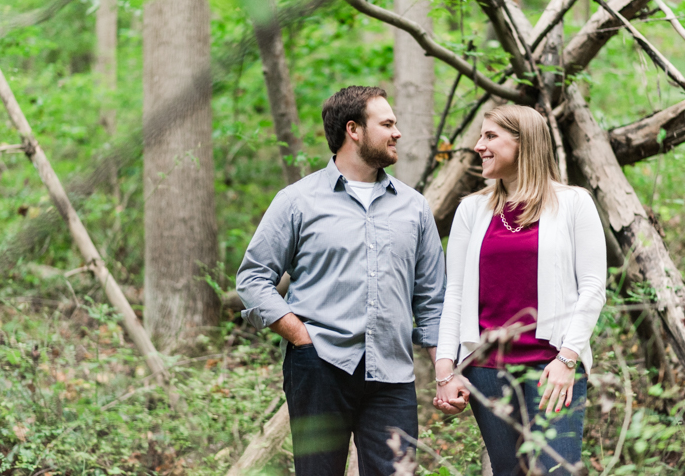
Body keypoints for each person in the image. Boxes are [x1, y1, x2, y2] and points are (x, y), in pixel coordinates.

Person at [236, 86, 446, 476]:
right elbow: (252, 278)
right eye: (387, 124)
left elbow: (432, 300)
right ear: (354, 130)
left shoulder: (414, 207)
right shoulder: (297, 201)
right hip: (319, 366)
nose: (397, 132)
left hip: (392, 375)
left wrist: (444, 373)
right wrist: (299, 335)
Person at [432, 104, 606, 475]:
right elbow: (456, 292)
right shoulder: (471, 210)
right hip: (486, 372)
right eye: (480, 136)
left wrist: (567, 359)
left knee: (555, 470)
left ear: (524, 142)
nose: (479, 145)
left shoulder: (574, 204)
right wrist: (445, 367)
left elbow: (593, 287)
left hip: (552, 368)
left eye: (490, 136)